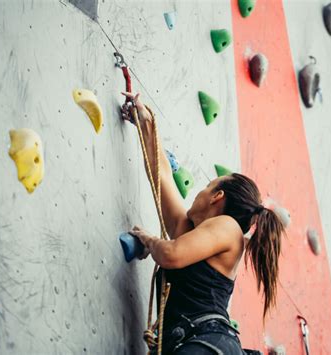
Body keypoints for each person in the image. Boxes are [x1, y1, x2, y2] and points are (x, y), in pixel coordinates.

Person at [121, 92, 285, 354]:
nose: (198, 193)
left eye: (207, 186)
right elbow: (160, 176)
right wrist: (146, 123)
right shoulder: (194, 235)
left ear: (217, 197)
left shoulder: (229, 229)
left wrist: (149, 240)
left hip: (207, 344)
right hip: (196, 344)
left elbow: (171, 254)